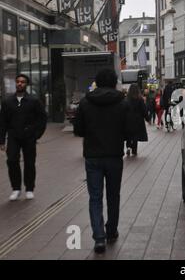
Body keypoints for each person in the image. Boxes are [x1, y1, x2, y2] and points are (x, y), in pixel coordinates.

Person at [73, 69, 130, 254]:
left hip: (93, 156)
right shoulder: (122, 102)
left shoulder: (85, 102)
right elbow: (129, 130)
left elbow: (78, 130)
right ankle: (111, 231)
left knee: (95, 197)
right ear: (114, 82)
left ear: (96, 82)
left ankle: (99, 238)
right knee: (114, 196)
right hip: (114, 156)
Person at [0, 74, 47, 201]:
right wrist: (2, 140)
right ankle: (16, 188)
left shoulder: (34, 101)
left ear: (27, 84)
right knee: (12, 160)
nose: (20, 84)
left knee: (29, 163)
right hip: (13, 136)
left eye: (23, 82)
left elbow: (42, 118)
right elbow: (3, 121)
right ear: (15, 84)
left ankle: (29, 188)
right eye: (18, 82)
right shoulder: (7, 102)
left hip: (29, 137)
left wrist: (37, 134)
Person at [125, 84, 149, 156]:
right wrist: (147, 118)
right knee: (135, 135)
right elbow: (144, 110)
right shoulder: (140, 99)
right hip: (138, 120)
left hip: (128, 119)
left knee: (129, 134)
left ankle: (128, 147)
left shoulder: (127, 99)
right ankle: (134, 151)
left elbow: (123, 109)